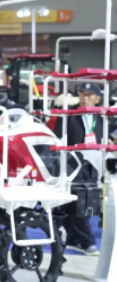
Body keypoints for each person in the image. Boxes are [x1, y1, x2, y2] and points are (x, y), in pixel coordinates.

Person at [54, 82, 102, 256]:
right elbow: (57, 138)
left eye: (89, 94)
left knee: (89, 202)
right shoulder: (68, 114)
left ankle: (74, 239)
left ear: (97, 99)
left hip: (95, 163)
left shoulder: (102, 116)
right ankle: (88, 242)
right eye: (82, 93)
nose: (85, 97)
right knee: (79, 201)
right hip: (74, 163)